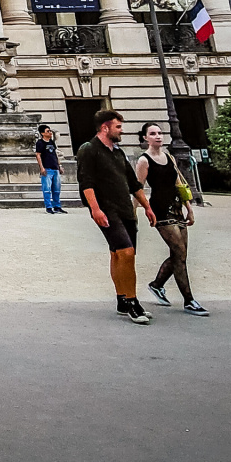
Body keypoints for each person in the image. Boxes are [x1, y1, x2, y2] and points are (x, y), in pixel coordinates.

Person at [75, 108, 158, 324]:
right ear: (105, 127)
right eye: (118, 127)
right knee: (126, 252)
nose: (121, 131)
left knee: (118, 254)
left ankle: (122, 298)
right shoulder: (89, 149)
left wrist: (147, 207)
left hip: (125, 210)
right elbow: (86, 182)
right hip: (107, 209)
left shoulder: (118, 152)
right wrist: (95, 209)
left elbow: (133, 184)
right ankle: (132, 301)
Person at [135, 122, 209, 317]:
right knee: (179, 253)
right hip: (160, 209)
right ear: (145, 138)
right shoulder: (144, 161)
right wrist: (134, 213)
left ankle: (157, 285)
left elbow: (179, 184)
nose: (158, 136)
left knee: (180, 254)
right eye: (153, 133)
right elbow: (138, 188)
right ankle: (189, 300)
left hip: (177, 207)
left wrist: (189, 208)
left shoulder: (169, 157)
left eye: (160, 133)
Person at [35, 124, 63, 213]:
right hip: (47, 168)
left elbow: (55, 154)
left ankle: (57, 206)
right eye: (48, 131)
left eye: (50, 131)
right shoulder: (40, 143)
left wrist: (59, 166)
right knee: (47, 189)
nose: (50, 132)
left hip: (55, 168)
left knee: (56, 189)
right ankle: (49, 207)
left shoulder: (51, 142)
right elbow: (38, 155)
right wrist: (41, 168)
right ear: (42, 133)